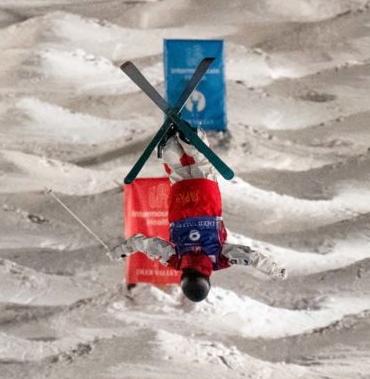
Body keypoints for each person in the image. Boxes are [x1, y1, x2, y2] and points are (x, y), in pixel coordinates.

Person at [114, 127, 286, 302]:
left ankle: (193, 141)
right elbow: (147, 244)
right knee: (178, 172)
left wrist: (273, 270)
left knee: (202, 166)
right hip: (180, 204)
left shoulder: (219, 259)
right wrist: (122, 250)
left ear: (207, 280)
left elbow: (251, 257)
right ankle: (170, 148)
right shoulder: (176, 260)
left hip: (206, 202)